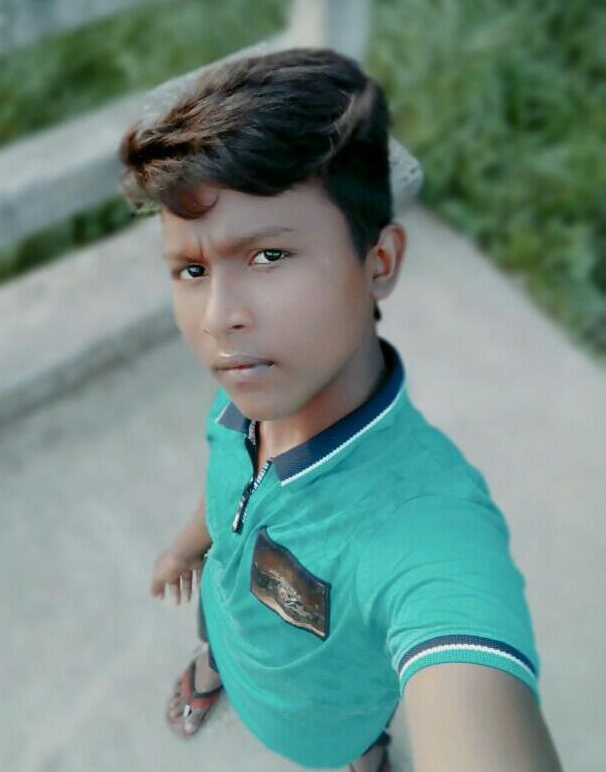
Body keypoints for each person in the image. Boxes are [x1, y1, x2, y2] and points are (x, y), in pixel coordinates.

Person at [117, 47, 563, 772]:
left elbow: (462, 654)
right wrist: (187, 545)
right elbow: (227, 487)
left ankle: (365, 753)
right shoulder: (243, 401)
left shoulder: (425, 525)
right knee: (221, 627)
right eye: (193, 270)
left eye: (268, 256)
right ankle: (213, 666)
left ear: (378, 263)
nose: (219, 318)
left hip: (330, 727)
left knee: (357, 743)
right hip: (231, 627)